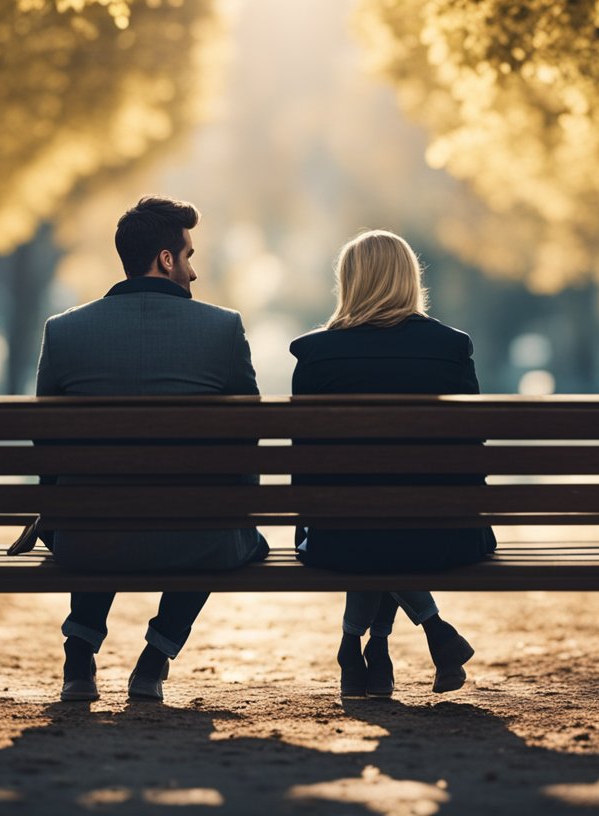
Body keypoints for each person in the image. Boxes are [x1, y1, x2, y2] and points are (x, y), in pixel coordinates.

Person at [34, 195, 267, 704]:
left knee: (99, 504)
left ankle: (80, 653)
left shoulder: (63, 331)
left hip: (85, 539)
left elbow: (46, 446)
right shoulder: (222, 329)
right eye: (188, 255)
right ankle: (155, 658)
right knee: (214, 525)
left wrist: (57, 516)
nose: (194, 270)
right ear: (166, 259)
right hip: (195, 541)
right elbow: (249, 438)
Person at [289, 229, 496, 698]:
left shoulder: (315, 355)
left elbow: (305, 462)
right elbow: (473, 447)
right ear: (410, 279)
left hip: (340, 539)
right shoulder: (451, 348)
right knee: (393, 518)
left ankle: (356, 647)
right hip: (444, 536)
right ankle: (403, 640)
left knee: (368, 520)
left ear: (348, 282)